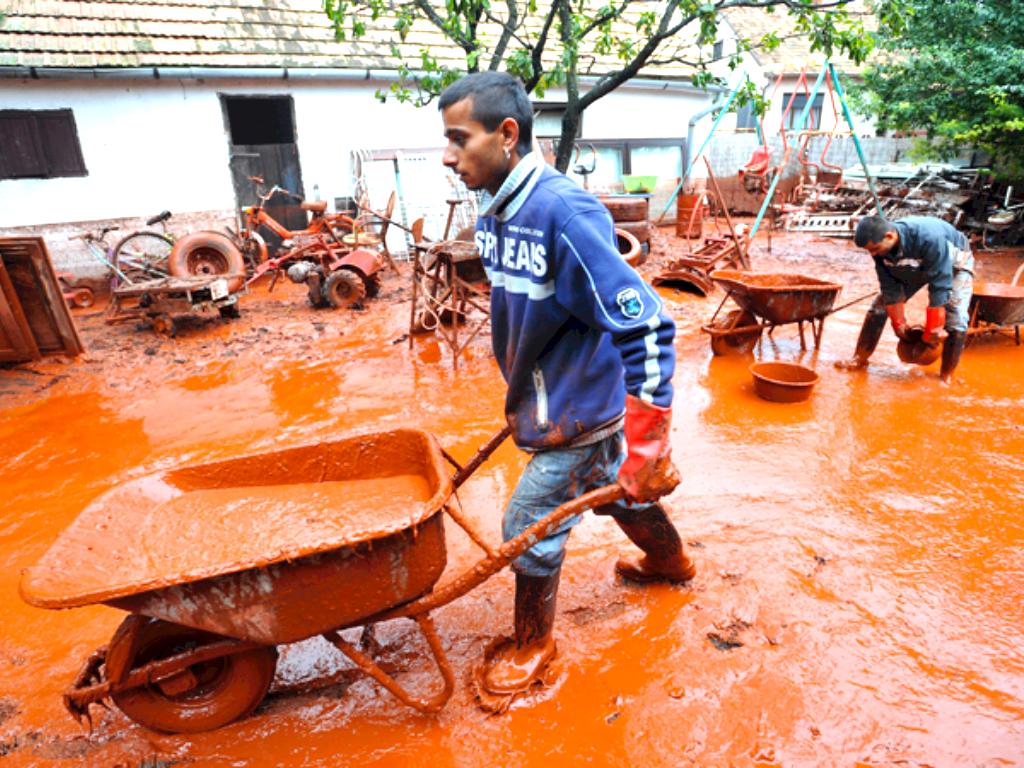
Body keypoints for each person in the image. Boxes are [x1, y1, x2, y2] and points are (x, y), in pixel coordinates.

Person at [438, 71, 696, 698]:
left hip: (578, 409)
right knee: (616, 494)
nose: (448, 156)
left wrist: (649, 445)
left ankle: (534, 643)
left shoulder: (565, 214)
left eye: (459, 139)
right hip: (552, 398)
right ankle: (671, 563)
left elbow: (649, 326)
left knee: (527, 521)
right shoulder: (495, 209)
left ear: (507, 134)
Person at [837, 214, 974, 383]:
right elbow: (889, 286)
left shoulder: (929, 238)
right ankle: (860, 358)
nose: (873, 254)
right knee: (879, 306)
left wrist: (935, 328)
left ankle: (947, 375)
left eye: (875, 249)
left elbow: (940, 284)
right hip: (917, 263)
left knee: (956, 315)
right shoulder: (880, 248)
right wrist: (898, 323)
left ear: (889, 236)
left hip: (954, 263)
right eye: (869, 250)